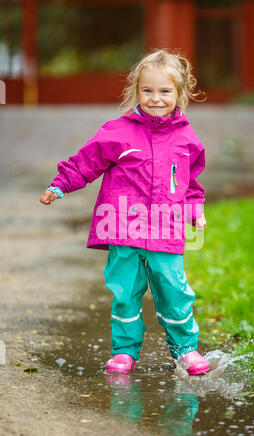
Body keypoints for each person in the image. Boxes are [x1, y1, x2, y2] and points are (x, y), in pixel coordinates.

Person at [40, 49, 210, 376]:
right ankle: (124, 352)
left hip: (166, 230)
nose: (155, 98)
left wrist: (194, 210)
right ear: (136, 92)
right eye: (147, 91)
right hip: (123, 228)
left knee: (174, 291)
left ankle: (185, 350)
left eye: (165, 91)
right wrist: (60, 185)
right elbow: (85, 162)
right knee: (125, 293)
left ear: (179, 94)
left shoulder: (186, 139)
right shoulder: (118, 132)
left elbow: (191, 181)